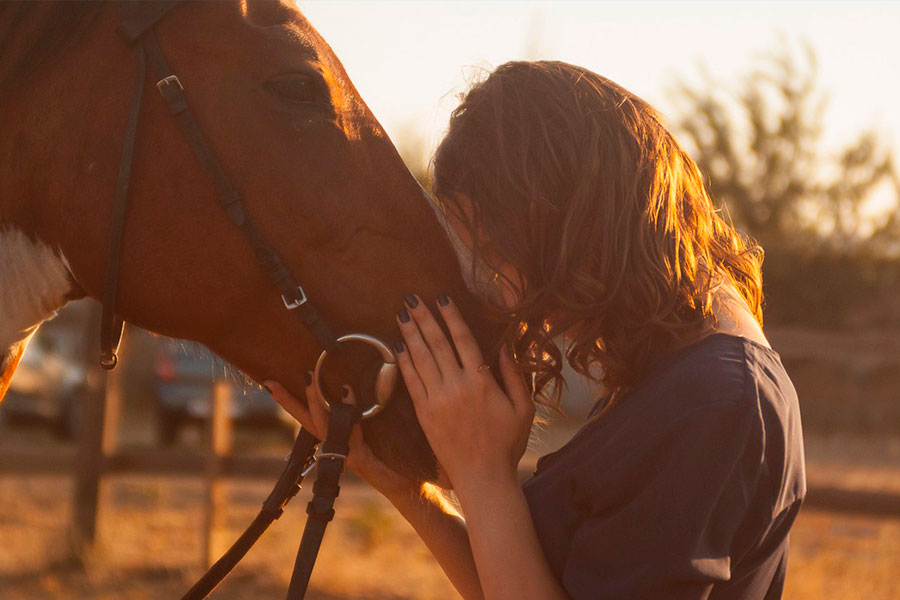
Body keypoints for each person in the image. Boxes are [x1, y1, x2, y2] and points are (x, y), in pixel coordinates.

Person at [266, 61, 805, 600]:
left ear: (574, 222)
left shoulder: (713, 401)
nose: (499, 292)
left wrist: (483, 477)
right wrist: (409, 490)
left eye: (499, 253)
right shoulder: (676, 374)